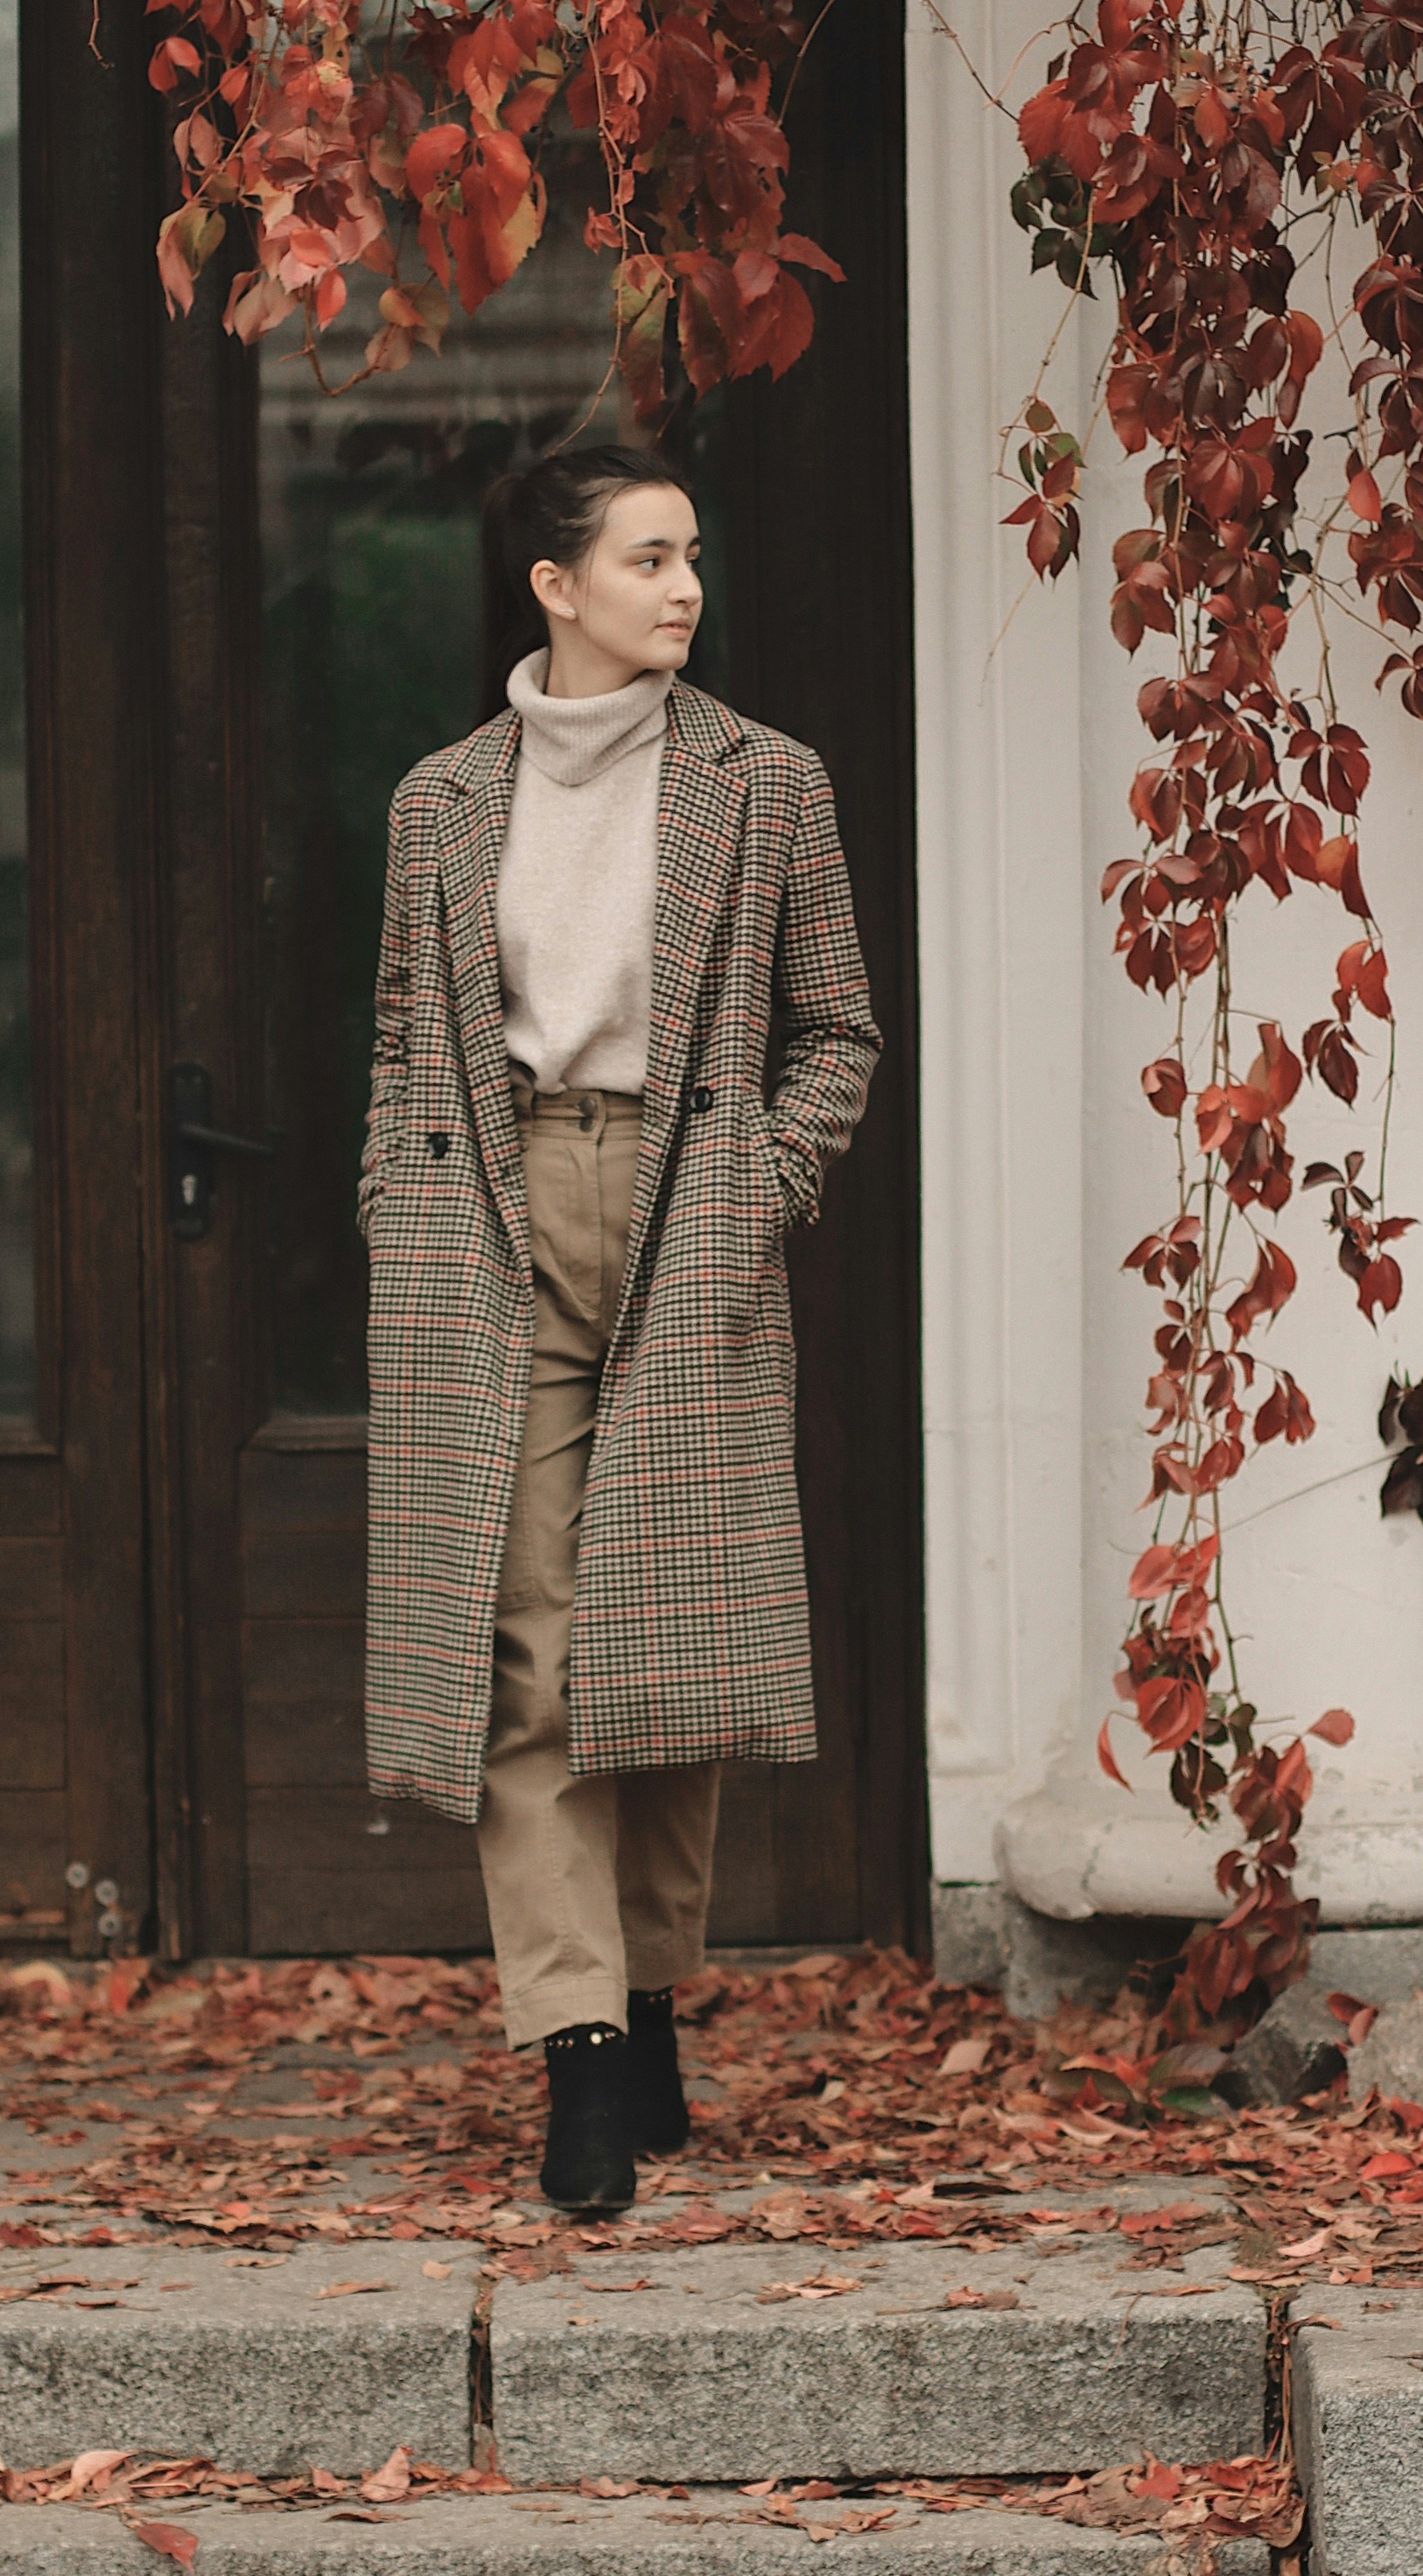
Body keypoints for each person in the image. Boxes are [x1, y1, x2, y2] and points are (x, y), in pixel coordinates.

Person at [359, 443, 880, 2211]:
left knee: (661, 1654)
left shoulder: (768, 783)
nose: (685, 586)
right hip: (495, 1221)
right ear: (553, 585)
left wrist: (762, 1182)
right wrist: (397, 1207)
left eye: (692, 555)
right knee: (525, 1648)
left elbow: (837, 1032)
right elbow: (398, 1046)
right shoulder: (440, 803)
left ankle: (647, 1997)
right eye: (648, 557)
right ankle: (581, 2051)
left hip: (686, 1214)